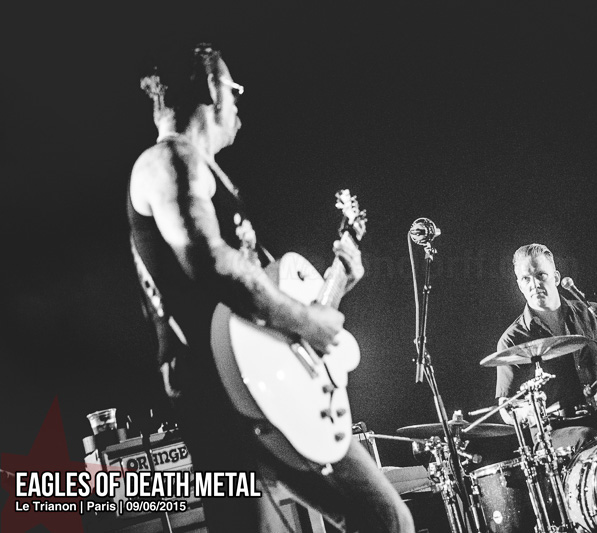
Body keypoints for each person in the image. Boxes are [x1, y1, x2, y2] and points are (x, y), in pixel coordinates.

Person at [128, 42, 414, 533]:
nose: (239, 101)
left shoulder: (208, 176)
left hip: (264, 382)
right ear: (213, 88)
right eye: (234, 88)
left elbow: (259, 305)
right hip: (215, 392)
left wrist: (335, 288)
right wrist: (308, 320)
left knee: (383, 517)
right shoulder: (168, 158)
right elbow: (211, 263)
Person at [495, 243, 597, 453]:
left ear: (556, 278)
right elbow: (506, 408)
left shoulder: (593, 313)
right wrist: (526, 413)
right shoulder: (512, 339)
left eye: (540, 275)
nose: (534, 284)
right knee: (587, 437)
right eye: (526, 279)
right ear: (519, 285)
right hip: (554, 434)